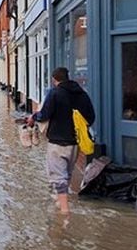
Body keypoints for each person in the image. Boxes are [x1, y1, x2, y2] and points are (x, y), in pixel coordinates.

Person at [30, 67, 96, 215]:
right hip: (75, 143)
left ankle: (64, 212)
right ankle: (60, 202)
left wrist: (34, 117)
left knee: (57, 176)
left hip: (57, 142)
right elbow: (91, 118)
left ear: (54, 79)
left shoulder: (55, 93)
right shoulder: (82, 94)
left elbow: (44, 115)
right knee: (67, 174)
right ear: (68, 77)